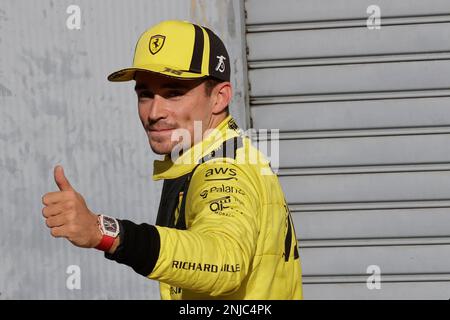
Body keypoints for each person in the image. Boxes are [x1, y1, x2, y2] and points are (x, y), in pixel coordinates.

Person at [42, 20, 302, 300]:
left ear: (219, 98)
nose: (154, 111)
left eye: (174, 93)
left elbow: (224, 261)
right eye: (145, 94)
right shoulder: (207, 154)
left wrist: (104, 232)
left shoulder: (223, 168)